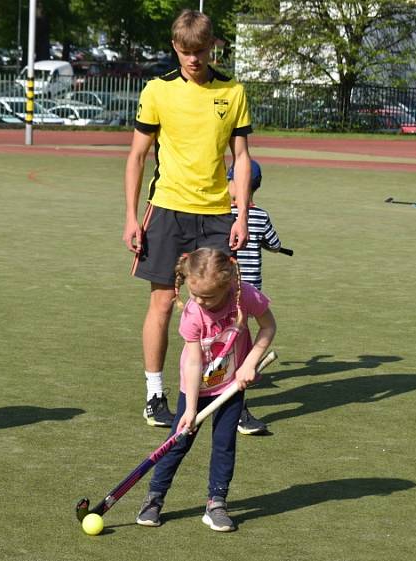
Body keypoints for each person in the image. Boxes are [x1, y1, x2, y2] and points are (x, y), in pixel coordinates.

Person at [124, 9, 253, 428]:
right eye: (184, 51)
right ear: (175, 47)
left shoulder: (233, 91)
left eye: (199, 51)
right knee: (162, 302)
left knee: (230, 306)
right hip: (167, 210)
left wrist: (241, 215)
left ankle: (234, 395)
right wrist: (130, 216)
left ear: (211, 46)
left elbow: (243, 158)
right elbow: (137, 156)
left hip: (216, 212)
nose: (193, 59)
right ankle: (154, 393)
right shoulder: (157, 91)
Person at [135, 248, 276, 531]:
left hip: (230, 386)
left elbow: (268, 327)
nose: (200, 301)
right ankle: (154, 498)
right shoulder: (193, 313)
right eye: (194, 294)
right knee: (178, 444)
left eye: (208, 297)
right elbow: (193, 361)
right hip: (195, 387)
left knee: (224, 445)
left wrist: (249, 364)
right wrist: (188, 410)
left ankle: (216, 503)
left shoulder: (245, 296)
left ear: (228, 285)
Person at [227, 159, 282, 435]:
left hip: (226, 291)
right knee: (241, 345)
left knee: (231, 344)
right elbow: (274, 244)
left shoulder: (223, 214)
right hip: (251, 295)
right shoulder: (261, 216)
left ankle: (230, 401)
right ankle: (236, 407)